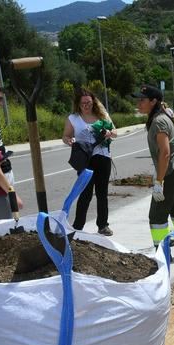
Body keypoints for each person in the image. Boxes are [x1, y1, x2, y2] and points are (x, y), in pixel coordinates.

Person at [133, 85, 174, 259]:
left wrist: (159, 181)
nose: (139, 103)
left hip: (170, 172)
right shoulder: (161, 117)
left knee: (157, 217)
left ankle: (162, 256)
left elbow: (165, 153)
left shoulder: (159, 121)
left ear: (154, 101)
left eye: (142, 100)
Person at [62, 88, 116, 236]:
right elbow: (65, 136)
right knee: (85, 192)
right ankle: (78, 225)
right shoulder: (73, 118)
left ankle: (103, 225)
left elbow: (115, 132)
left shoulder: (102, 115)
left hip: (103, 157)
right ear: (78, 104)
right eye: (83, 103)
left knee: (102, 193)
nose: (87, 106)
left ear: (94, 102)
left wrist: (110, 133)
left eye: (89, 103)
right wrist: (69, 140)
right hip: (85, 159)